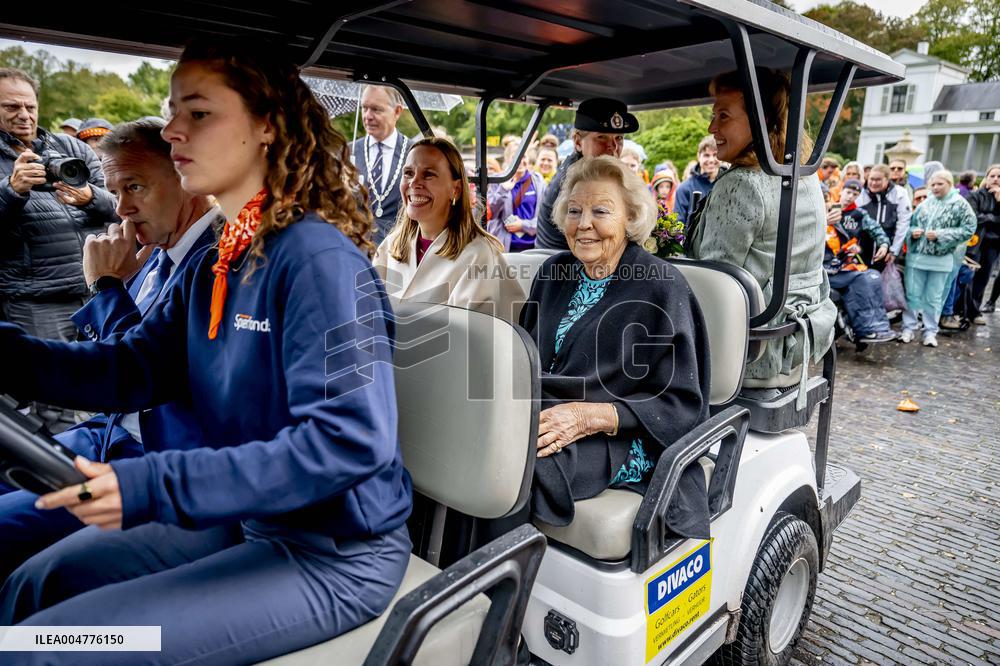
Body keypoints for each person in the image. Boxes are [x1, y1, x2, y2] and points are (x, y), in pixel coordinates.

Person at [0, 40, 412, 664]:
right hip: (249, 518)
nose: (171, 131)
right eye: (173, 113)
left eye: (197, 113)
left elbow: (350, 441)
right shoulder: (221, 256)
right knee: (35, 586)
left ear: (267, 125)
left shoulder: (315, 259)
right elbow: (132, 369)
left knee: (51, 648)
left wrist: (147, 484)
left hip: (335, 554)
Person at [0, 117, 223, 580]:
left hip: (158, 453)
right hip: (108, 435)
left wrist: (104, 288)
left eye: (135, 187)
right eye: (114, 191)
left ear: (190, 177)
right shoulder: (158, 252)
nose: (121, 209)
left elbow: (136, 372)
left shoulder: (217, 260)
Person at [520, 155, 711, 537]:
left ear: (631, 218)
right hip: (547, 414)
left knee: (516, 467)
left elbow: (681, 403)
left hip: (625, 436)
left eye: (601, 211)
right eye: (574, 210)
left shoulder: (660, 286)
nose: (584, 223)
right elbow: (522, 356)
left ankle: (496, 583)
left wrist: (588, 417)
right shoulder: (553, 273)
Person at [688, 68, 836, 402]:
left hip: (748, 357)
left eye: (723, 116)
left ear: (761, 120)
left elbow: (710, 286)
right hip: (792, 347)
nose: (712, 128)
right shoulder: (805, 176)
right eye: (714, 116)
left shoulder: (741, 184)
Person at [0, 67, 119, 431]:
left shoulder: (71, 147)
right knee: (56, 401)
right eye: (11, 107)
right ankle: (62, 477)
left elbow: (118, 202)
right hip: (36, 301)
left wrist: (90, 198)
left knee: (104, 383)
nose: (24, 115)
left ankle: (99, 463)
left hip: (90, 290)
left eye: (30, 106)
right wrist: (11, 191)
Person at [374, 136, 524, 322]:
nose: (414, 183)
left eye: (428, 174)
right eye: (408, 173)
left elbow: (471, 338)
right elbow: (369, 313)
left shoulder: (479, 255)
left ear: (456, 189)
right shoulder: (391, 246)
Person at [534, 97, 639, 250]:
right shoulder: (577, 180)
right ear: (577, 142)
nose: (613, 147)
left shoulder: (595, 173)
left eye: (619, 138)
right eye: (601, 137)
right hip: (564, 266)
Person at [899, 170, 976, 346]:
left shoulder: (960, 204)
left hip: (942, 260)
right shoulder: (926, 203)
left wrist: (942, 235)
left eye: (939, 184)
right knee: (912, 294)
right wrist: (914, 233)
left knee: (934, 297)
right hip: (918, 258)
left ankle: (930, 331)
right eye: (932, 184)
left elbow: (969, 229)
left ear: (949, 184)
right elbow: (911, 225)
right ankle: (908, 328)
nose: (935, 188)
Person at [824, 179, 895, 343]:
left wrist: (884, 245)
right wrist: (824, 221)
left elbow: (877, 231)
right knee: (861, 279)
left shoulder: (859, 214)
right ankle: (865, 329)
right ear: (841, 190)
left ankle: (880, 327)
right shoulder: (827, 210)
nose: (850, 197)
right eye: (848, 192)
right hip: (827, 266)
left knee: (874, 276)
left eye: (855, 194)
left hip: (844, 263)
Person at [351, 84, 409, 245]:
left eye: (376, 109)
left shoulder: (414, 153)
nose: (368, 116)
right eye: (364, 108)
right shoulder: (347, 152)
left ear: (397, 111)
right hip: (356, 251)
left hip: (400, 252)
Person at [487, 142, 546, 253]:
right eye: (515, 156)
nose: (520, 160)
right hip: (505, 247)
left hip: (533, 247)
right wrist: (503, 190)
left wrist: (523, 225)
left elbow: (545, 216)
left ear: (528, 158)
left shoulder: (538, 181)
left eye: (523, 156)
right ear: (507, 159)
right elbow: (491, 213)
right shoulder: (497, 180)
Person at [857, 164, 910, 271]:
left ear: (887, 180)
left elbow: (903, 224)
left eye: (878, 180)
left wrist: (894, 251)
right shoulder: (861, 193)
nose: (873, 183)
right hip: (862, 249)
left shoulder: (900, 193)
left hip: (888, 250)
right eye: (871, 179)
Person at [968, 164, 1000, 316]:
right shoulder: (976, 195)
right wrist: (994, 218)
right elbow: (974, 217)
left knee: (983, 278)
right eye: (992, 176)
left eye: (999, 177)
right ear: (986, 179)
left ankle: (974, 311)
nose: (995, 179)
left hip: (993, 245)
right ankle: (961, 309)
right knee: (968, 277)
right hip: (975, 243)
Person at [674, 135, 721, 224]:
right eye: (706, 155)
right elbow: (678, 226)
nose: (711, 160)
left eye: (715, 154)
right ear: (698, 156)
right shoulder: (684, 188)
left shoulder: (729, 183)